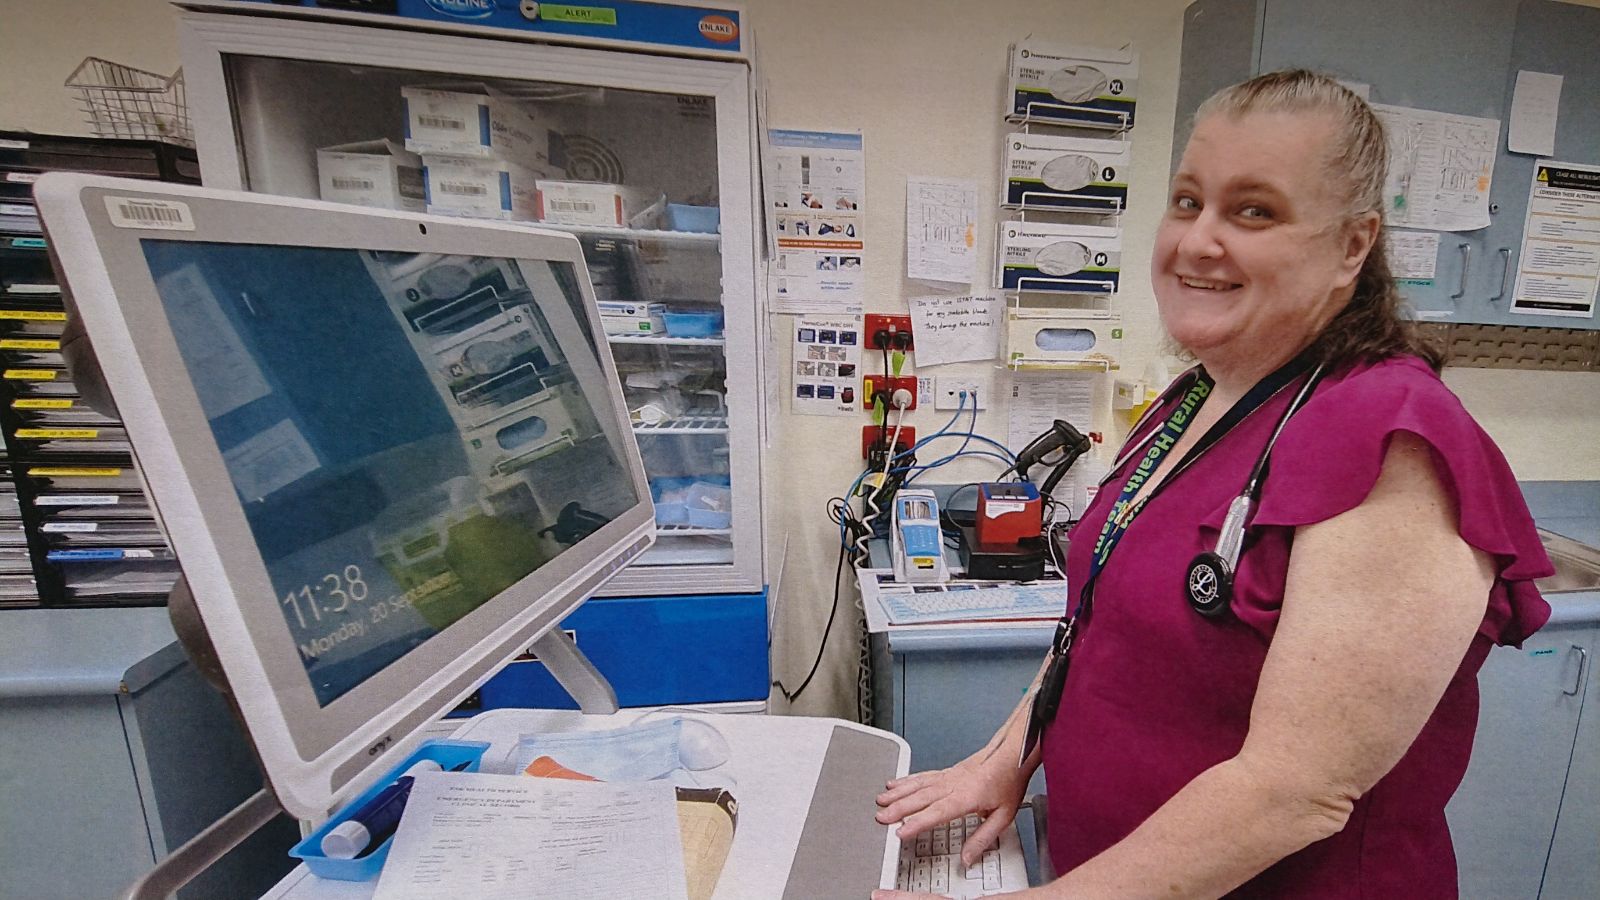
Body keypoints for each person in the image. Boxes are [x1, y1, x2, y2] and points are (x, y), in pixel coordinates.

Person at [873, 70, 1553, 898]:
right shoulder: (1194, 399)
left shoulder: (1394, 442)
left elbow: (1293, 792)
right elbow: (1094, 627)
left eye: (1254, 210)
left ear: (1352, 245)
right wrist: (1006, 761)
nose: (1199, 241)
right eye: (1189, 201)